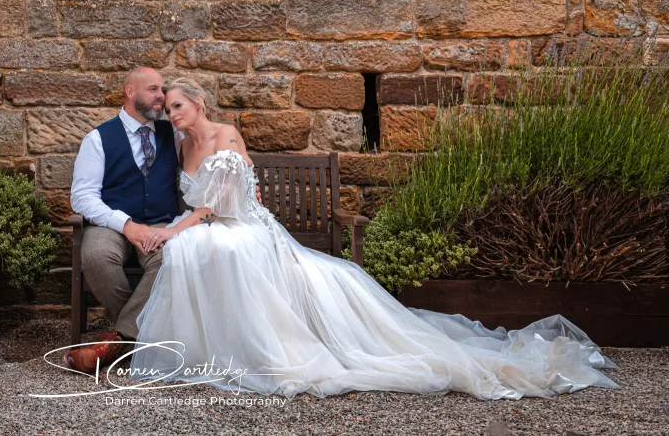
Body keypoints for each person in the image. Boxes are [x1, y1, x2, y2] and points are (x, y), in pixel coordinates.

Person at [128, 77, 620, 400]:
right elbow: (199, 204)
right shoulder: (180, 142)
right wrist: (177, 227)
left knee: (212, 243)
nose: (173, 115)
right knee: (199, 245)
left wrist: (173, 229)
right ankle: (206, 346)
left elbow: (219, 204)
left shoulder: (226, 136)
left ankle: (259, 348)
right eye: (168, 109)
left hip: (244, 225)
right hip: (214, 224)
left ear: (198, 103)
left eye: (179, 107)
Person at [62, 67, 181, 372]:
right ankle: (139, 338)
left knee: (172, 258)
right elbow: (83, 197)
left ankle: (117, 340)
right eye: (153, 89)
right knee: (97, 257)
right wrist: (125, 225)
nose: (161, 96)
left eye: (162, 89)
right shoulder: (98, 138)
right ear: (130, 92)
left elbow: (210, 157)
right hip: (112, 222)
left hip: (159, 223)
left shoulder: (174, 133)